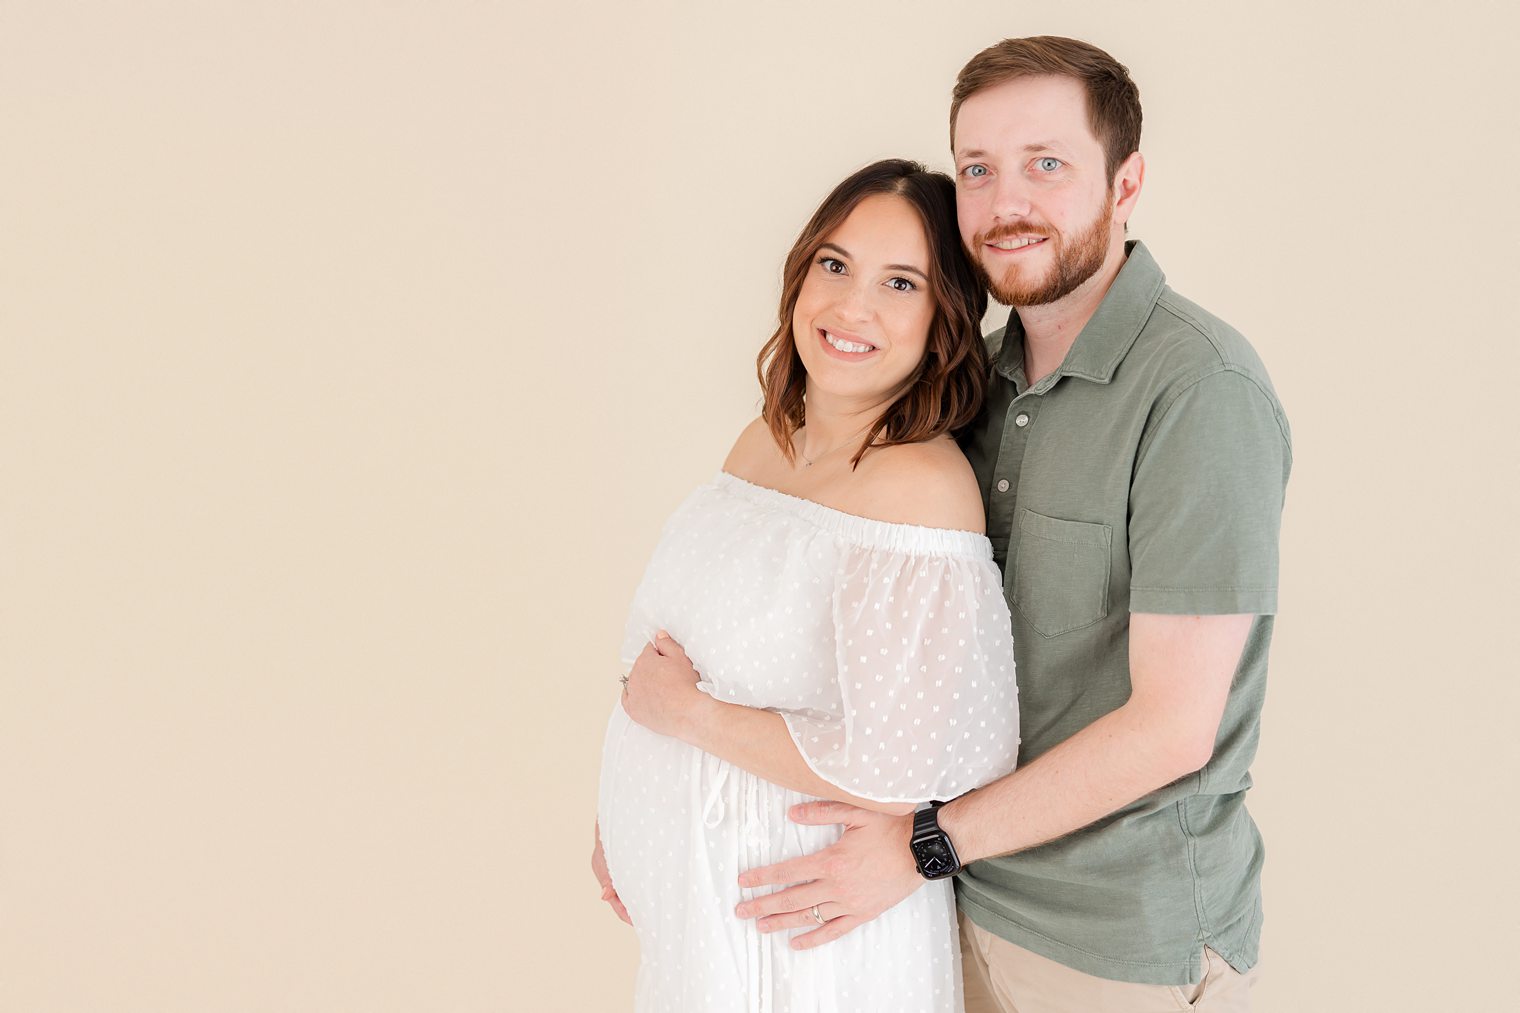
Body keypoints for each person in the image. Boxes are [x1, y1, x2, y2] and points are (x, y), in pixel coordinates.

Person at [710, 37, 1293, 1012]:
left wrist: (922, 842)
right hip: (932, 904)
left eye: (1046, 165)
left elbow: (1170, 728)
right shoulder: (967, 381)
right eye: (976, 169)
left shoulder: (1199, 392)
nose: (1004, 202)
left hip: (1104, 943)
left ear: (1127, 181)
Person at [592, 158, 1021, 1011]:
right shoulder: (764, 438)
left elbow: (904, 763)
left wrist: (686, 717)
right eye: (835, 264)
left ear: (944, 321)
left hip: (808, 929)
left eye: (900, 283)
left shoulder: (921, 492)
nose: (852, 306)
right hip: (702, 909)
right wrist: (627, 811)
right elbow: (678, 642)